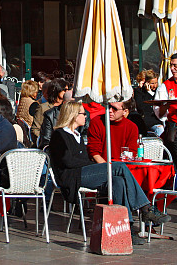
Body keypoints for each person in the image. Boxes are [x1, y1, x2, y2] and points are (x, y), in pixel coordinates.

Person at [47, 101, 170, 245]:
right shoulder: (60, 135)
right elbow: (67, 161)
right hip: (72, 177)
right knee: (118, 167)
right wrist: (92, 165)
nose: (86, 116)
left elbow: (81, 159)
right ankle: (145, 208)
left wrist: (91, 165)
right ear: (74, 116)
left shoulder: (77, 135)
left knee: (118, 181)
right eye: (83, 113)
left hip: (81, 172)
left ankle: (126, 228)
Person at [39, 78, 74, 148]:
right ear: (57, 90)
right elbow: (37, 130)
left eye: (68, 89)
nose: (67, 92)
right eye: (64, 90)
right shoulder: (45, 109)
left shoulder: (78, 112)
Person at [134, 70, 163, 136]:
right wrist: (148, 93)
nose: (155, 85)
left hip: (158, 120)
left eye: (156, 83)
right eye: (152, 83)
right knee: (160, 129)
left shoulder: (158, 91)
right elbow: (141, 107)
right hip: (145, 121)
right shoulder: (139, 92)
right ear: (147, 83)